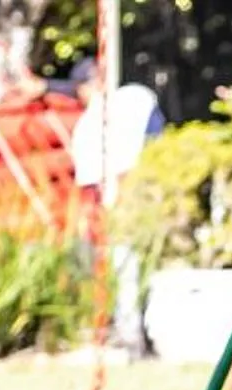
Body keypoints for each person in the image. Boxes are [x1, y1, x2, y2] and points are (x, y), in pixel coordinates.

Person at [69, 58, 163, 350]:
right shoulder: (92, 120)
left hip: (123, 193)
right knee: (104, 263)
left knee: (126, 263)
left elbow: (149, 139)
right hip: (106, 197)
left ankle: (130, 331)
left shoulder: (129, 103)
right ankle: (113, 327)